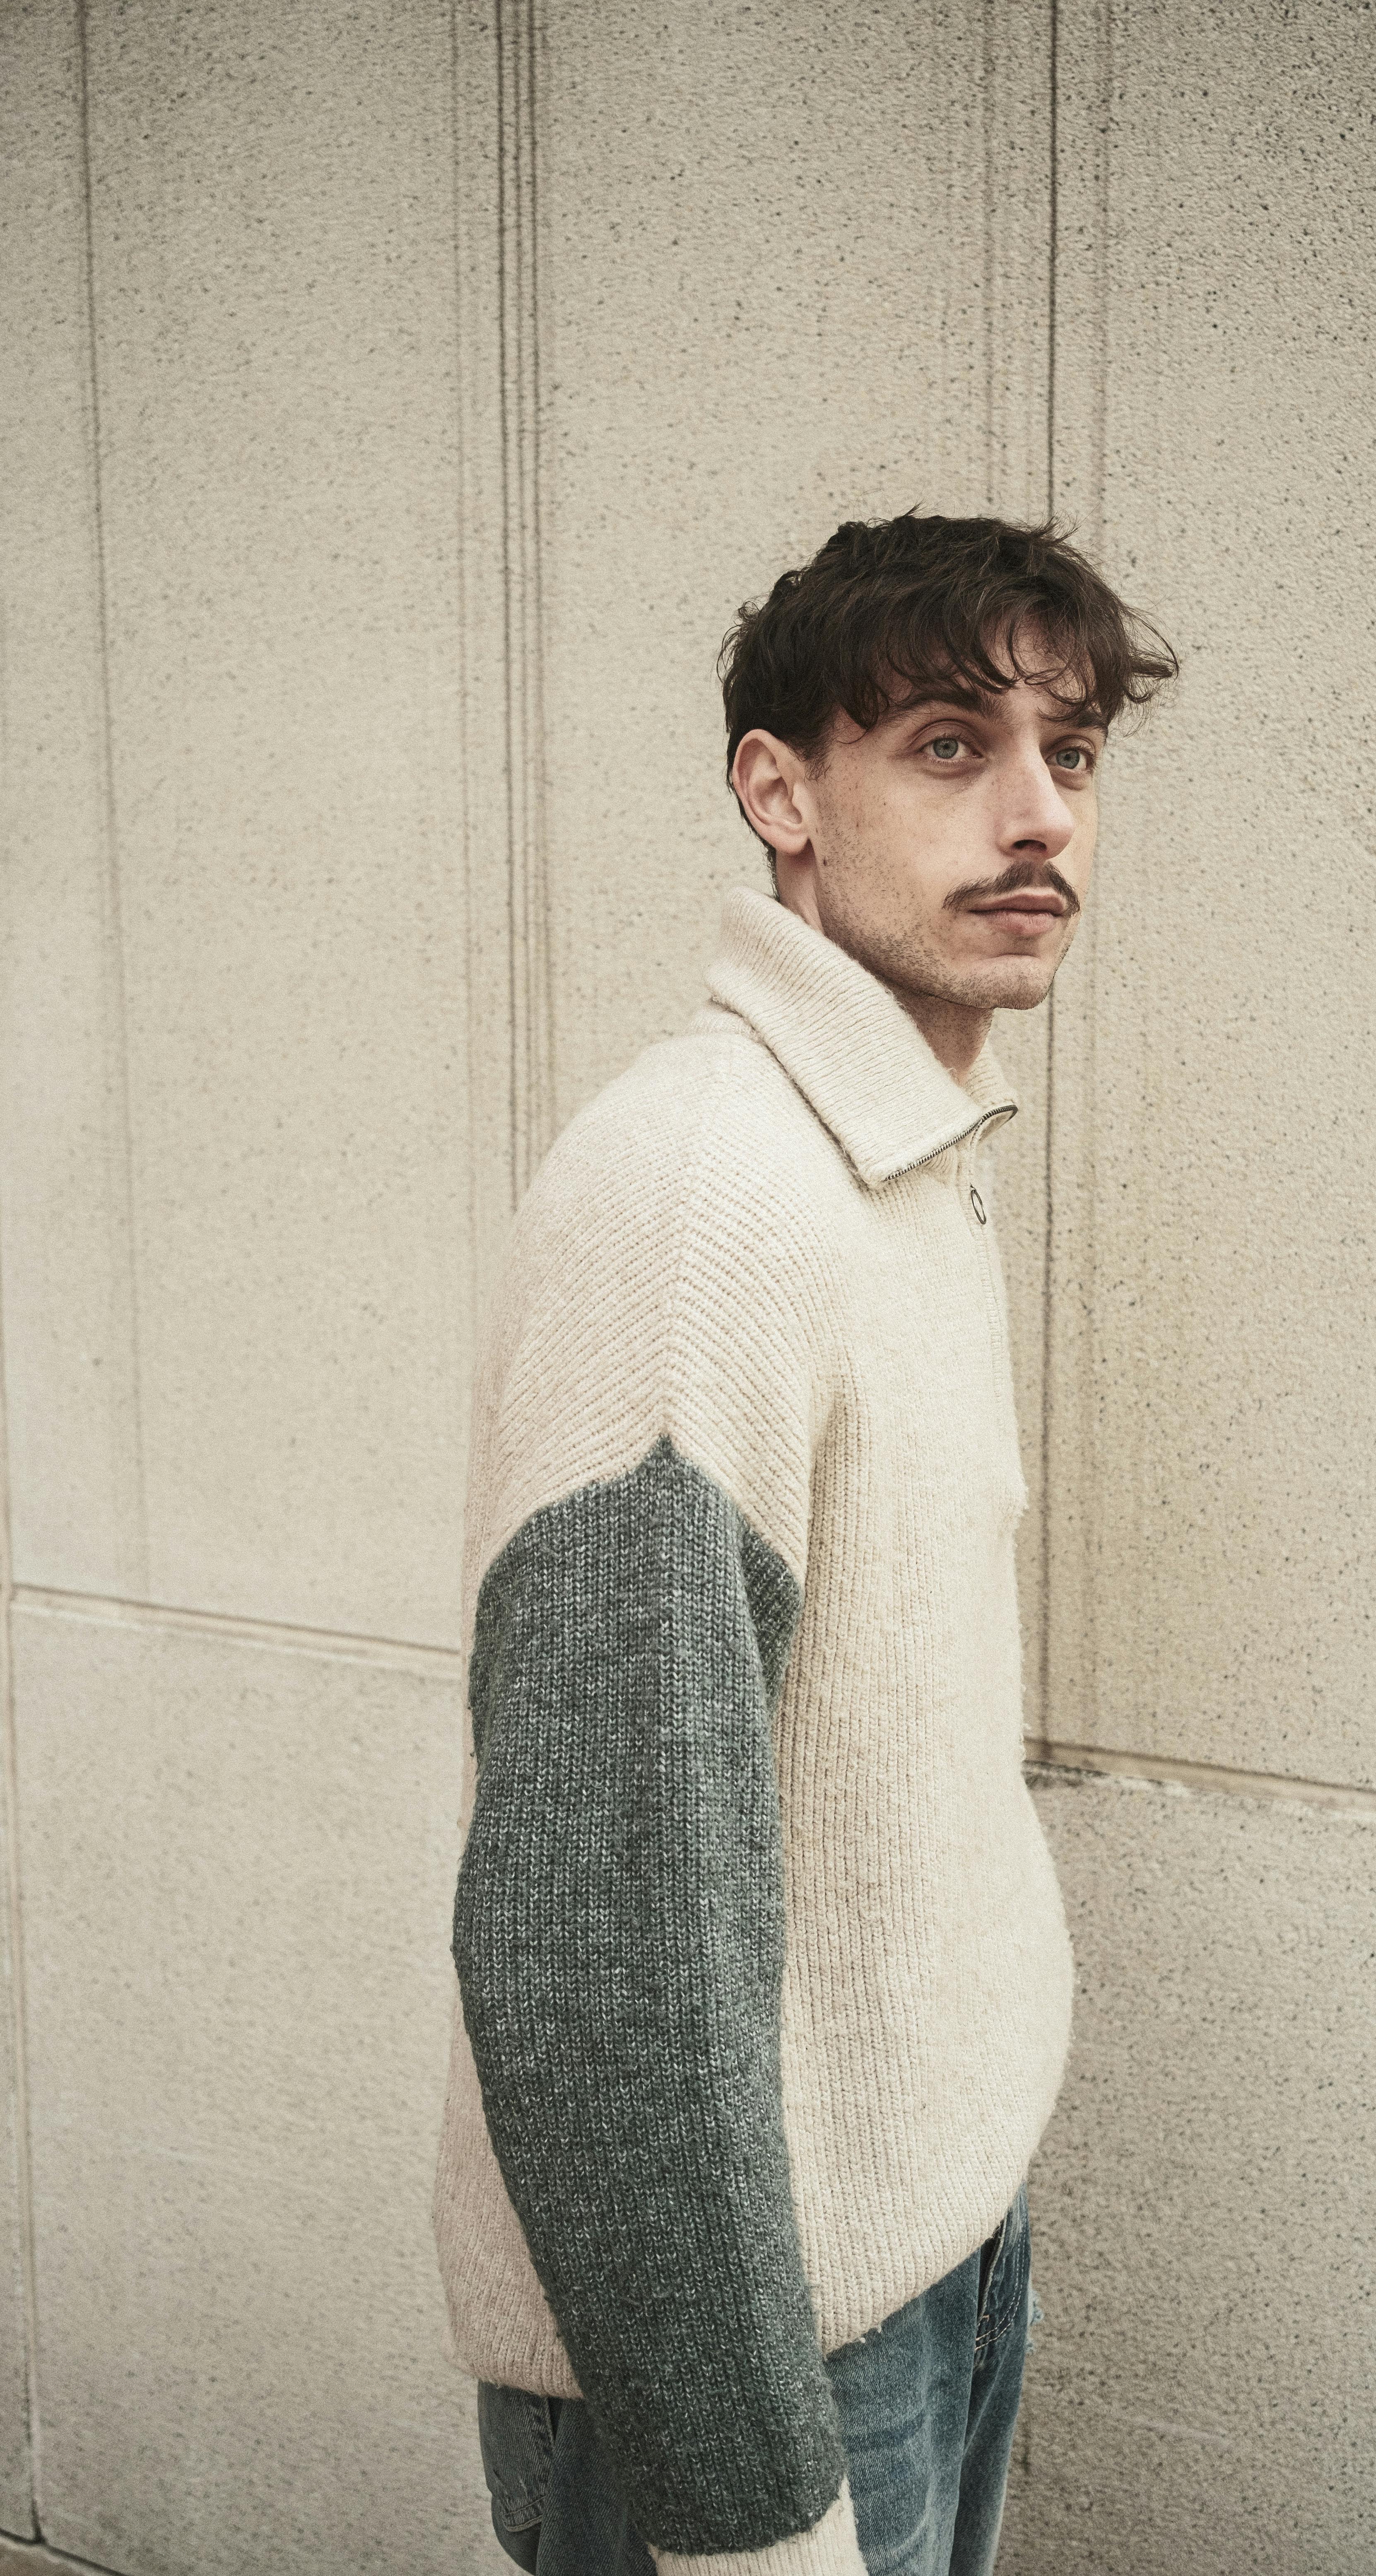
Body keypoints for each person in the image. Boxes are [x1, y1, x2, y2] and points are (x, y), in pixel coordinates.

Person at [431, 511, 1175, 2576]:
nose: (1037, 816)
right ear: (779, 789)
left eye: (1074, 751)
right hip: (757, 2361)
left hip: (928, 2250)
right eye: (950, 744)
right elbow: (602, 1952)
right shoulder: (704, 1199)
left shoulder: (897, 1160)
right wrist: (755, 2518)